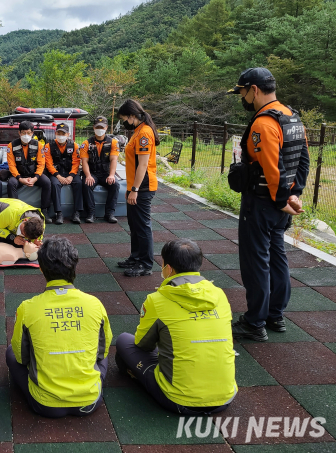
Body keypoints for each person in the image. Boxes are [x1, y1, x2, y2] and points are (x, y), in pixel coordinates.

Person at [227, 68, 310, 341]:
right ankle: (275, 314)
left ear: (254, 89)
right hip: (283, 203)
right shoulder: (292, 116)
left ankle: (254, 322)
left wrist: (280, 199)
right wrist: (294, 194)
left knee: (256, 262)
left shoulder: (263, 123)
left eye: (242, 92)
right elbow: (303, 160)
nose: (242, 97)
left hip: (262, 203)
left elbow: (272, 167)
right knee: (277, 257)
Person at [115, 239, 237, 414]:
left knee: (124, 341)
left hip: (178, 400)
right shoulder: (220, 295)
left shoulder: (157, 300)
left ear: (168, 268)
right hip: (225, 397)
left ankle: (136, 376)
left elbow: (142, 344)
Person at [7, 236, 111, 417]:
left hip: (45, 405)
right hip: (90, 402)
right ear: (74, 266)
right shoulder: (95, 304)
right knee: (103, 356)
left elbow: (21, 357)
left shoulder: (27, 308)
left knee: (10, 352)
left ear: (41, 269)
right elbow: (102, 352)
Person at [117, 100, 159, 277]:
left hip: (142, 187)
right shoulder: (137, 131)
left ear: (132, 116)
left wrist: (134, 189)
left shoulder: (144, 134)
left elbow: (142, 165)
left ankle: (145, 263)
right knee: (134, 224)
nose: (124, 122)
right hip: (134, 185)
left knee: (142, 226)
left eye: (124, 118)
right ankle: (136, 257)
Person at [6, 121, 52, 222]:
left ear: (32, 133)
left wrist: (35, 178)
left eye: (28, 133)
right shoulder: (11, 145)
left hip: (34, 174)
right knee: (11, 183)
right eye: (23, 133)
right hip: (19, 175)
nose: (26, 135)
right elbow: (11, 165)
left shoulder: (39, 145)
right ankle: (15, 212)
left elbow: (41, 164)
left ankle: (45, 211)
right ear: (19, 133)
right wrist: (20, 178)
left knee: (47, 182)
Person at [80, 116, 121, 224]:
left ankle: (110, 213)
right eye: (97, 127)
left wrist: (111, 175)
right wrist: (88, 176)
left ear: (106, 127)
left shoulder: (113, 142)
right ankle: (91, 213)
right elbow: (84, 161)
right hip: (92, 172)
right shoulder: (86, 143)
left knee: (115, 185)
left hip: (106, 173)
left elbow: (113, 160)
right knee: (86, 184)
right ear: (93, 127)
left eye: (102, 127)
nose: (99, 129)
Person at [44, 123, 83, 224]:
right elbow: (48, 164)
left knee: (78, 183)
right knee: (55, 184)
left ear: (68, 134)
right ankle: (59, 213)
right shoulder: (48, 146)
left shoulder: (74, 145)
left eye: (63, 133)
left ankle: (76, 212)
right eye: (59, 133)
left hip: (70, 173)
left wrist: (71, 176)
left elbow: (76, 163)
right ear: (55, 133)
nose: (61, 135)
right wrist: (58, 176)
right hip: (56, 174)